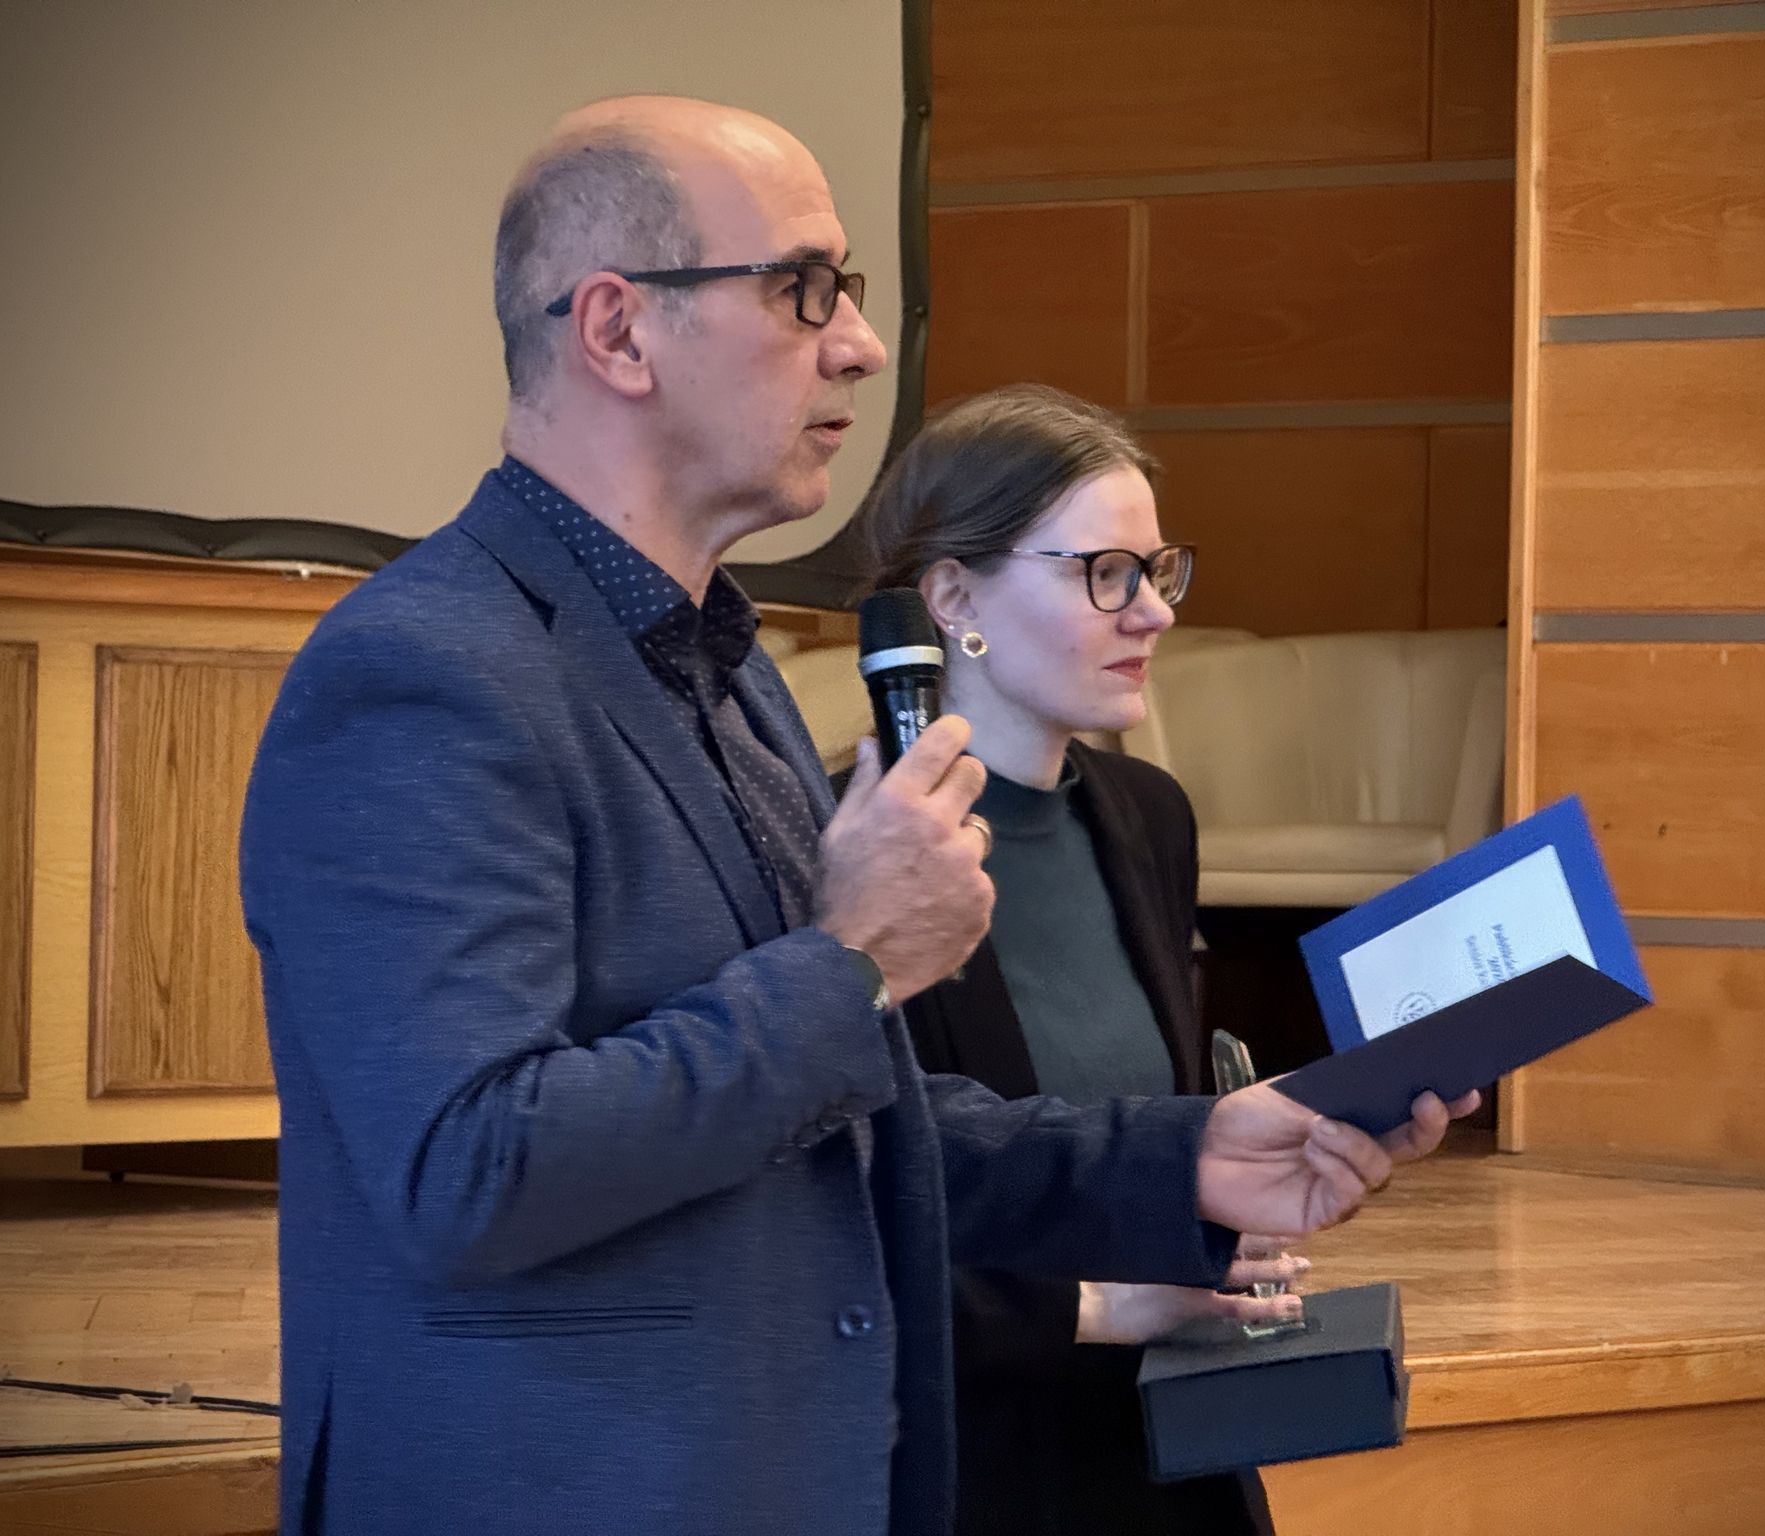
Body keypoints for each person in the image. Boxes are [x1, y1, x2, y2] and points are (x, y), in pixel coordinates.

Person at [239, 96, 1471, 1536]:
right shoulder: (423, 676)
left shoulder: (732, 669)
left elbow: (844, 1121)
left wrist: (1181, 1157)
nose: (863, 346)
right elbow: (470, 1169)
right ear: (619, 332)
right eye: (803, 289)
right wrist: (854, 961)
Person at [860, 386, 1417, 1535]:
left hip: (1162, 1444)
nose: (1153, 612)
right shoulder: (850, 846)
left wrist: (1242, 1187)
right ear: (952, 597)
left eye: (1158, 571)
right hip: (973, 1462)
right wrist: (1099, 1305)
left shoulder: (1145, 812)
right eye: (1104, 573)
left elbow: (1138, 1130)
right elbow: (851, 1219)